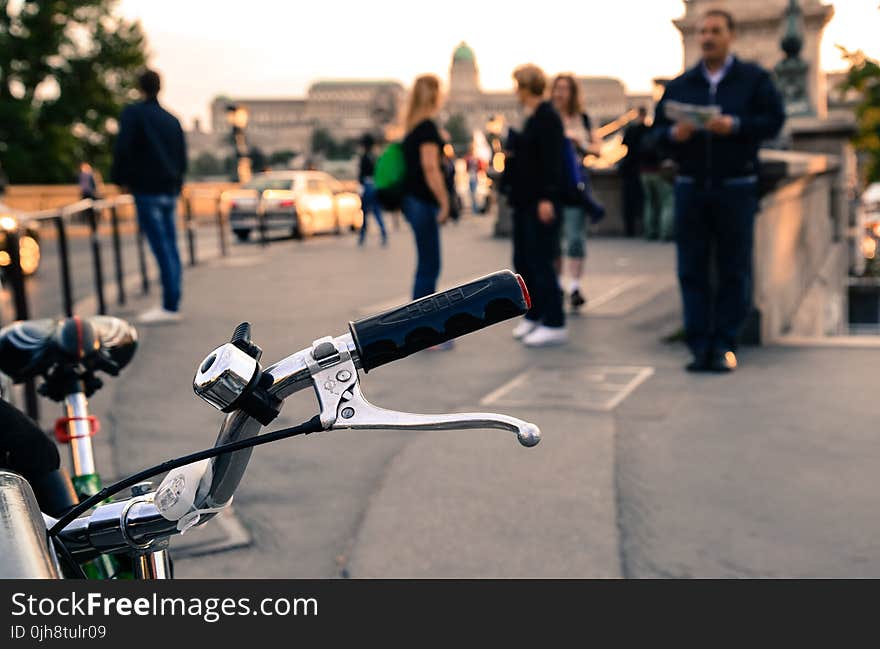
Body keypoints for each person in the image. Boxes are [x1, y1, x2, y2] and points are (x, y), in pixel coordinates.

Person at [651, 9, 785, 372]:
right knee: (690, 269)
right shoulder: (680, 85)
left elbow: (774, 121)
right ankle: (698, 347)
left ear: (730, 36)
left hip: (736, 186)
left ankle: (725, 344)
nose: (707, 37)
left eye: (714, 31)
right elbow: (655, 136)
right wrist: (671, 136)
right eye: (702, 31)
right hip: (690, 186)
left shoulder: (754, 79)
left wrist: (737, 125)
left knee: (734, 270)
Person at [112, 69, 187, 325]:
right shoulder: (172, 120)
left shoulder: (134, 114)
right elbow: (181, 157)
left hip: (147, 189)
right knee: (171, 248)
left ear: (140, 87)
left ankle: (169, 306)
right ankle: (172, 301)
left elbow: (123, 148)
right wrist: (177, 184)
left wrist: (120, 180)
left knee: (162, 249)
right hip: (169, 189)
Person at [506, 64, 568, 347]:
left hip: (538, 201)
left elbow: (552, 161)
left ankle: (555, 321)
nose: (515, 91)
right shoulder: (533, 117)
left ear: (525, 86)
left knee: (541, 260)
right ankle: (536, 314)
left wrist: (547, 197)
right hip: (524, 201)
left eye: (517, 85)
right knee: (525, 261)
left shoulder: (547, 117)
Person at [551, 74, 602, 313]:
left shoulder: (584, 119)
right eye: (557, 89)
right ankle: (558, 284)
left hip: (576, 186)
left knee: (574, 238)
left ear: (573, 93)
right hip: (551, 186)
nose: (560, 93)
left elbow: (597, 149)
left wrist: (579, 143)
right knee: (553, 240)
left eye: (565, 89)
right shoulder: (548, 118)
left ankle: (574, 286)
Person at [619, 107, 647, 237]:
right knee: (643, 201)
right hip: (643, 168)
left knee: (628, 202)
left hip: (629, 170)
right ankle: (644, 229)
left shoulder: (631, 130)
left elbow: (624, 145)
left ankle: (629, 230)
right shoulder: (648, 130)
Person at [357, 133, 387, 246]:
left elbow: (361, 174)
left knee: (365, 213)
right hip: (375, 185)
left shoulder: (364, 157)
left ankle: (362, 237)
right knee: (377, 212)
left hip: (366, 186)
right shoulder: (375, 157)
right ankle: (384, 234)